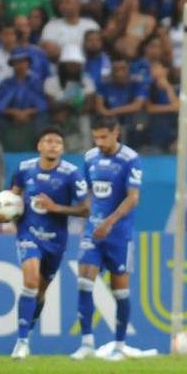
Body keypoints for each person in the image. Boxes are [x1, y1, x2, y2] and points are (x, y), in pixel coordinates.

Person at [0, 126, 89, 360]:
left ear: (62, 148)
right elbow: (11, 198)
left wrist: (57, 208)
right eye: (48, 141)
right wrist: (0, 214)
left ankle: (28, 333)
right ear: (39, 146)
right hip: (29, 234)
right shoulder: (24, 169)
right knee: (31, 281)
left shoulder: (72, 174)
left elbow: (86, 209)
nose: (53, 145)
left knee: (40, 292)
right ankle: (21, 342)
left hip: (55, 241)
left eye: (57, 141)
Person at [71, 115, 142, 361]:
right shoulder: (90, 157)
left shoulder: (130, 159)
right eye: (96, 137)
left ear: (116, 132)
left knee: (120, 292)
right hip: (93, 232)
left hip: (119, 235)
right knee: (84, 283)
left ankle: (120, 346)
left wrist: (109, 222)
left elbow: (133, 198)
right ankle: (87, 343)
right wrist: (86, 222)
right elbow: (89, 192)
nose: (99, 142)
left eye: (104, 137)